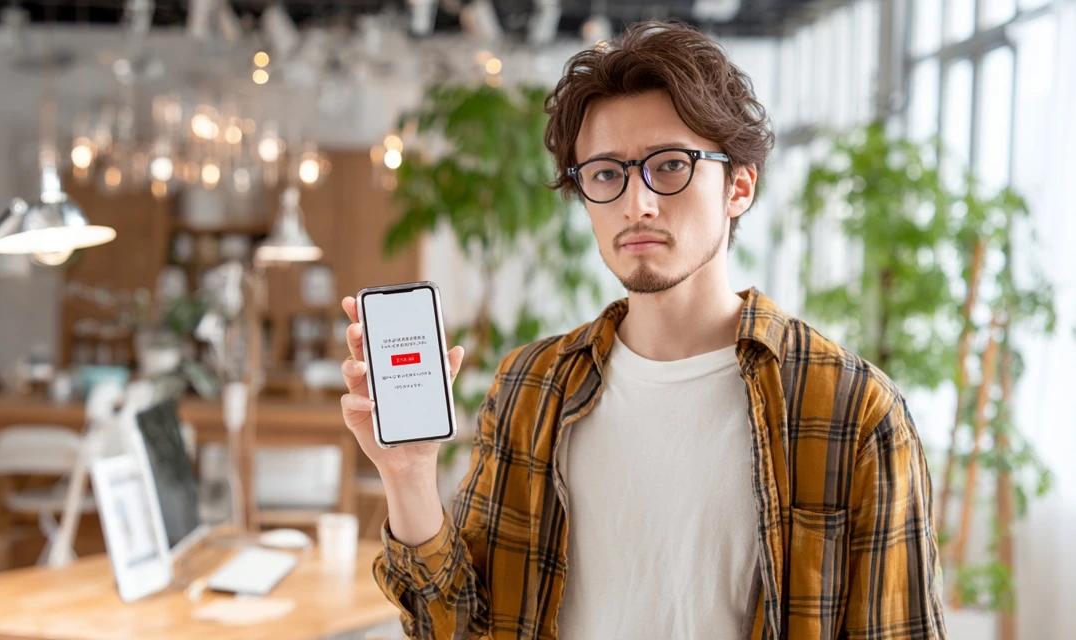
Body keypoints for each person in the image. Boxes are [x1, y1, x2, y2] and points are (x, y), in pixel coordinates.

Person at [338, 20, 945, 640]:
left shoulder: (851, 408)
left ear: (739, 186)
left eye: (671, 165)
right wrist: (408, 475)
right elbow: (459, 628)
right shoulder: (531, 387)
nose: (637, 204)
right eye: (606, 174)